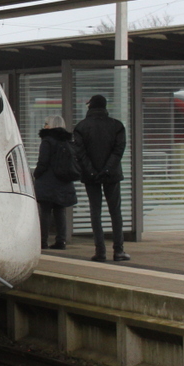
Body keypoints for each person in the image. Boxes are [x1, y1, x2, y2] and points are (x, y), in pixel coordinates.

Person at [73, 94, 129, 262]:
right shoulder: (116, 126)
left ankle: (100, 251)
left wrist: (92, 171)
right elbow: (118, 150)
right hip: (111, 175)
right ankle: (118, 251)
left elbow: (80, 153)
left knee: (95, 212)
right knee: (115, 212)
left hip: (91, 177)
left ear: (90, 107)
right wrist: (106, 169)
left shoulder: (81, 127)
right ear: (105, 107)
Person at [33, 115, 77, 250]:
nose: (44, 126)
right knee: (60, 211)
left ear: (51, 125)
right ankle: (61, 241)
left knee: (45, 211)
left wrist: (36, 174)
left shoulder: (47, 141)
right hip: (63, 181)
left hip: (47, 180)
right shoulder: (67, 141)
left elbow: (43, 162)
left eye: (46, 123)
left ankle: (43, 241)